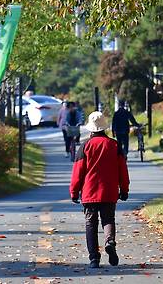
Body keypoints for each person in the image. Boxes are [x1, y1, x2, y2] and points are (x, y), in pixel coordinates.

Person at [70, 111, 129, 269]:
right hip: (109, 191)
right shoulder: (114, 145)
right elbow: (122, 169)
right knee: (108, 219)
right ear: (104, 128)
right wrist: (124, 189)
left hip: (89, 192)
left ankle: (94, 258)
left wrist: (74, 192)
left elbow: (78, 171)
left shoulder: (85, 146)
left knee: (91, 223)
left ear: (91, 129)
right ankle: (109, 241)